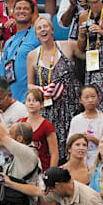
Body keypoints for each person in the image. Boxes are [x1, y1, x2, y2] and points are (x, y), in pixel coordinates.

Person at [26, 15, 81, 154]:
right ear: (36, 35)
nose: (42, 30)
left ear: (52, 30)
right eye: (39, 28)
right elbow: (30, 85)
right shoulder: (32, 55)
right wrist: (43, 89)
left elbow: (90, 55)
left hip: (72, 104)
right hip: (50, 106)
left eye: (45, 26)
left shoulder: (68, 46)